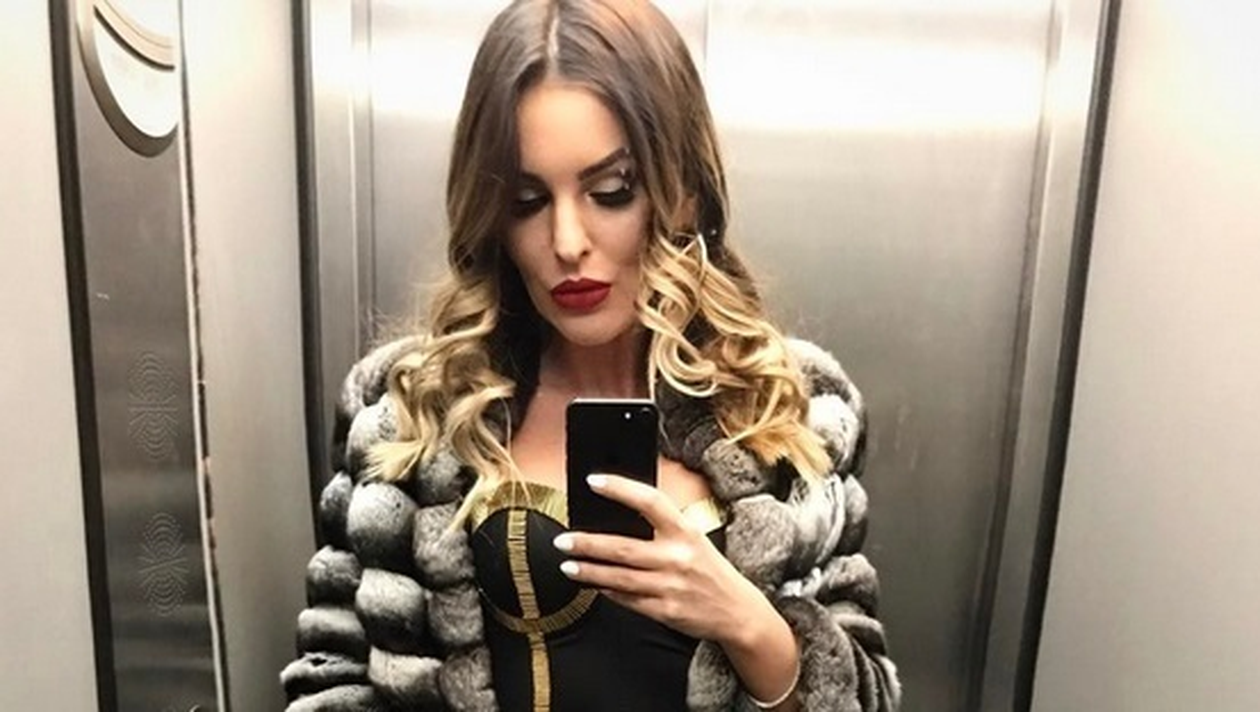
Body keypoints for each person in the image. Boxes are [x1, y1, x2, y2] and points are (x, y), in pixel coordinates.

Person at [282, 1, 900, 710]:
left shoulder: (790, 410)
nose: (568, 241)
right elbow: (332, 677)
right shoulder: (409, 413)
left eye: (611, 192)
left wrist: (747, 624)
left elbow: (867, 696)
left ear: (681, 192)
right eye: (526, 201)